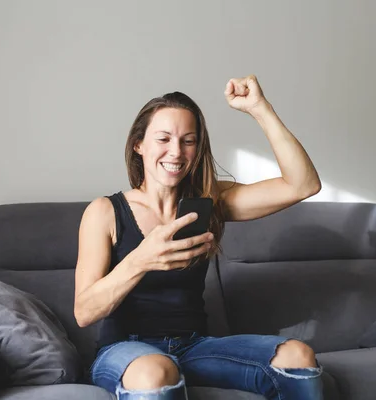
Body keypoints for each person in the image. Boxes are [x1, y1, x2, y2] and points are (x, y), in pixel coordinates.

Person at [74, 75, 323, 400]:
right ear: (139, 144)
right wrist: (141, 259)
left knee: (297, 356)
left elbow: (303, 185)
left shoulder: (209, 199)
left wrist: (260, 109)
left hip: (193, 347)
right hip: (126, 351)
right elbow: (84, 311)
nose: (176, 152)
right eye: (163, 139)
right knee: (157, 370)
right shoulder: (105, 212)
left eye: (188, 140)